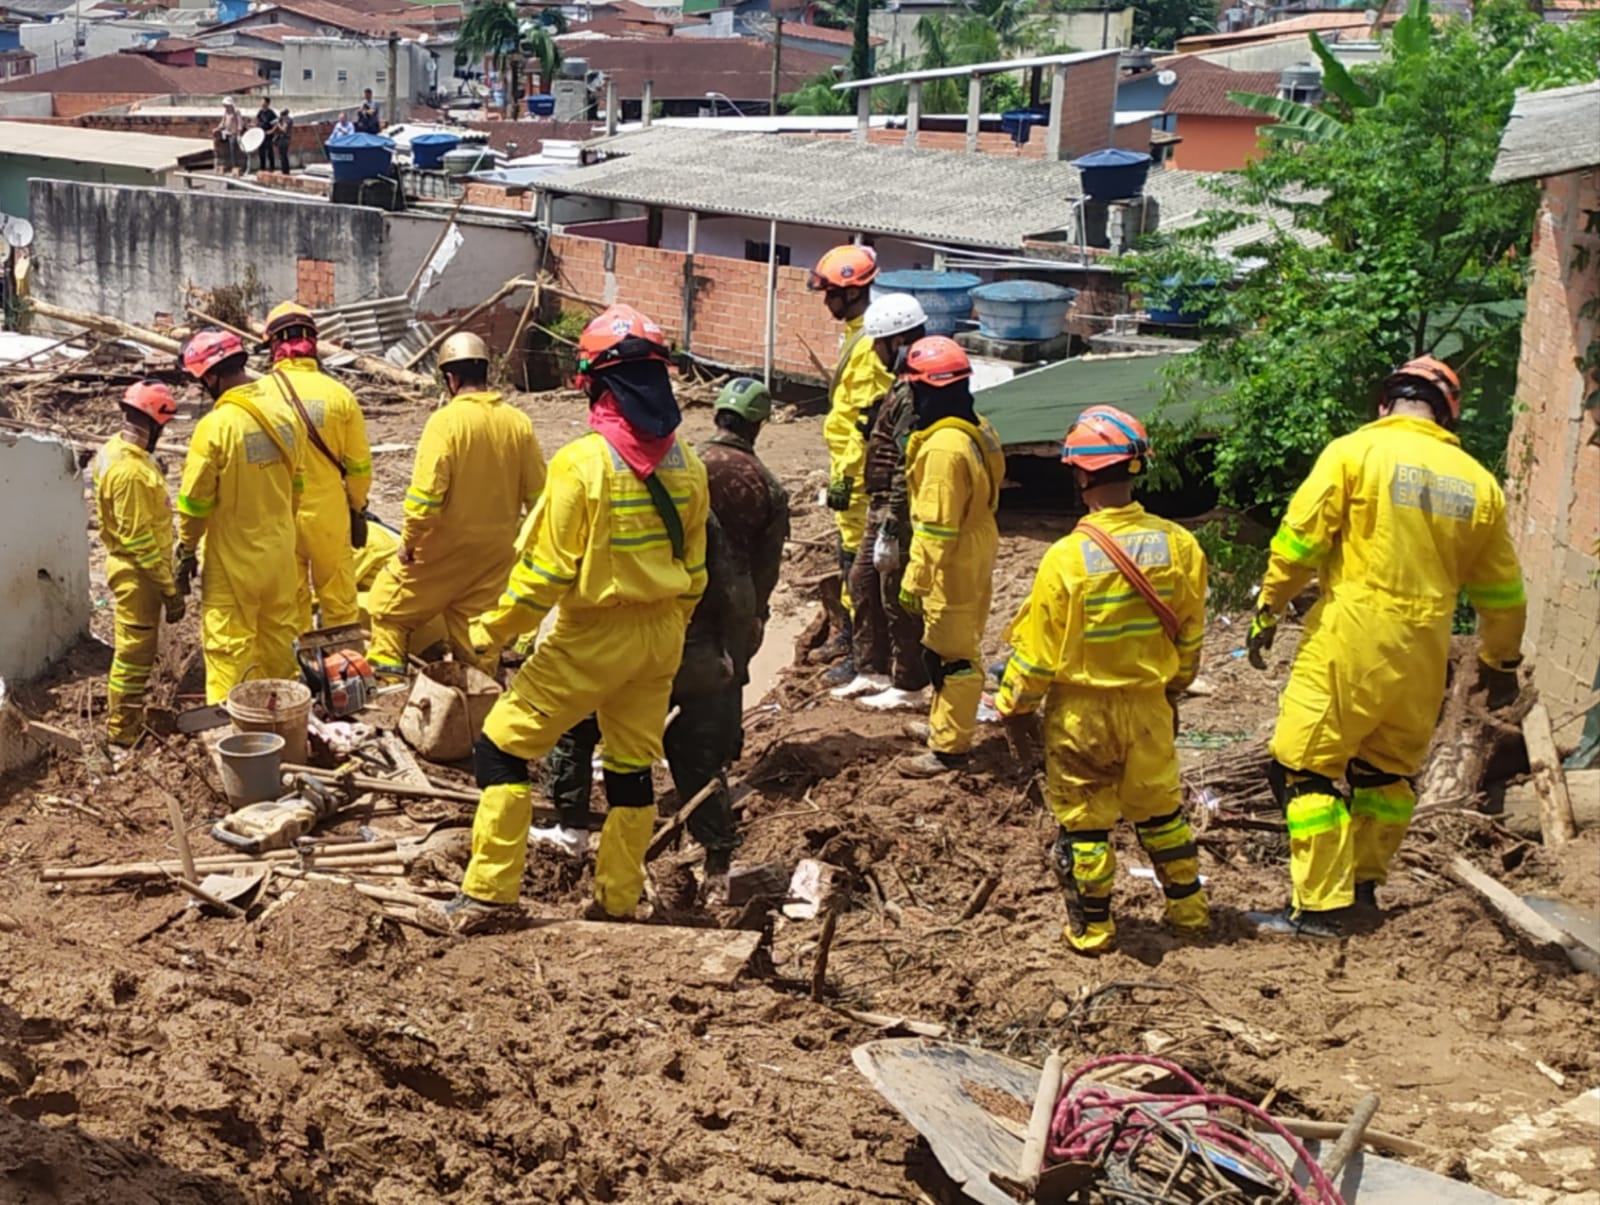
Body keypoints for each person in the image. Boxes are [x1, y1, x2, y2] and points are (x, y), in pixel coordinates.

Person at [420, 304, 710, 936]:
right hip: (661, 636)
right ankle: (617, 897)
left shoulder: (582, 464)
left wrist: (490, 633)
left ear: (593, 383)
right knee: (632, 770)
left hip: (593, 637)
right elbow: (696, 568)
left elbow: (544, 577)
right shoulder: (688, 463)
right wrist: (669, 626)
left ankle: (491, 894)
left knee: (501, 746)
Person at [1243, 356, 1526, 938]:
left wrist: (1269, 608)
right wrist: (1501, 663)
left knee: (1302, 769)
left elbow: (1299, 546)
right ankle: (1364, 888)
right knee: (1385, 776)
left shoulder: (1354, 453)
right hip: (1425, 651)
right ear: (1448, 415)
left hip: (1350, 640)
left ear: (1385, 404)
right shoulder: (1479, 484)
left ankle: (1319, 908)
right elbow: (1502, 593)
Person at [542, 377, 790, 888]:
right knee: (699, 747)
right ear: (759, 424)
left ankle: (570, 827)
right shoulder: (767, 487)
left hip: (630, 631)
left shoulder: (679, 470)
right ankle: (718, 859)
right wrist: (739, 646)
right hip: (702, 638)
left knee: (581, 725)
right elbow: (752, 581)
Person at [995, 407, 1210, 956]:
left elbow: (1039, 658)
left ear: (1082, 475)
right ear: (1134, 468)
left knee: (1085, 827)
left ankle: (1093, 930)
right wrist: (1174, 686)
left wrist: (1012, 703)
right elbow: (1189, 637)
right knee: (1162, 814)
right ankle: (1189, 912)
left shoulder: (1066, 559)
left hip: (1082, 714)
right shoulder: (1180, 546)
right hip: (1149, 707)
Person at [365, 332, 545, 677]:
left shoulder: (445, 423)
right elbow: (540, 497)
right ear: (486, 373)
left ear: (450, 377)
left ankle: (389, 692)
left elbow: (424, 500)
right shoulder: (518, 423)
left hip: (441, 553)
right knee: (477, 636)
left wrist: (409, 543)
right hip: (495, 554)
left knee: (386, 611)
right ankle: (479, 707)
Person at [175, 328, 304, 703]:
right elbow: (298, 484)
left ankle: (235, 730)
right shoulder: (284, 412)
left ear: (211, 376)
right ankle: (285, 712)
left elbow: (195, 503)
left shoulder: (215, 427)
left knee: (229, 645)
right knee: (278, 637)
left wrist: (186, 549)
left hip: (234, 560)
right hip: (280, 552)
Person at [896, 337, 1004, 778]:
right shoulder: (977, 427)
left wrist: (915, 580)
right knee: (953, 642)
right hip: (977, 541)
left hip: (952, 559)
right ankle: (944, 724)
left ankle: (949, 750)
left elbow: (935, 527)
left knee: (951, 655)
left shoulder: (943, 448)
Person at [834, 293, 931, 711]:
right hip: (880, 501)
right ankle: (871, 669)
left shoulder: (917, 391)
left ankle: (908, 680)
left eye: (880, 343)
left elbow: (904, 464)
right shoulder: (900, 384)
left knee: (894, 592)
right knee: (862, 581)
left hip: (896, 505)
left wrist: (891, 524)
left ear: (900, 340)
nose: (875, 352)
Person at [259, 301, 372, 633]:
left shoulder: (259, 396)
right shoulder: (340, 396)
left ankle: (298, 677)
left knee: (290, 604)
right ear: (313, 342)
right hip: (330, 515)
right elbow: (360, 467)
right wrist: (357, 506)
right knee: (339, 600)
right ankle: (344, 674)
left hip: (280, 517)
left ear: (274, 345)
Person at [807, 244, 891, 685]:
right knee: (847, 557)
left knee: (859, 565)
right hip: (847, 469)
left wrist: (844, 479)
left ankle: (863, 656)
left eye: (832, 293)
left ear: (854, 293)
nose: (826, 301)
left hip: (856, 478)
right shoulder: (857, 334)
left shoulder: (867, 345)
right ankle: (847, 635)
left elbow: (864, 422)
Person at [93, 381, 184, 747]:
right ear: (154, 425)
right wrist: (169, 589)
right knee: (134, 656)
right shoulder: (129, 473)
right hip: (138, 576)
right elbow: (139, 540)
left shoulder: (115, 451)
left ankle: (125, 722)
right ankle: (122, 733)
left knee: (137, 652)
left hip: (135, 569)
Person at [214, 98, 242, 176]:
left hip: (233, 133)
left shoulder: (236, 112)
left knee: (233, 149)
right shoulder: (226, 112)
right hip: (226, 133)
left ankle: (234, 166)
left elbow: (240, 123)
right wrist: (218, 128)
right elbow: (223, 122)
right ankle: (225, 164)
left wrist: (239, 133)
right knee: (224, 148)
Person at [254, 96, 277, 174]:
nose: (262, 104)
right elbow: (257, 121)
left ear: (267, 103)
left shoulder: (271, 113)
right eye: (261, 102)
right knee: (261, 152)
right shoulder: (260, 112)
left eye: (263, 102)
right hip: (261, 135)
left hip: (268, 136)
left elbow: (276, 124)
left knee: (269, 151)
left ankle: (272, 167)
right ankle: (262, 167)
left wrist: (271, 131)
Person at [273, 107, 293, 173]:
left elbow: (284, 130)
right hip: (284, 139)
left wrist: (278, 124)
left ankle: (285, 171)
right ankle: (285, 170)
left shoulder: (286, 119)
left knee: (283, 156)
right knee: (283, 155)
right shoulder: (285, 119)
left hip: (284, 139)